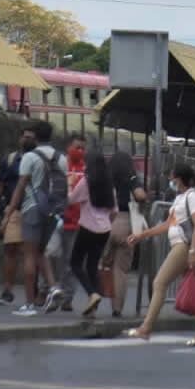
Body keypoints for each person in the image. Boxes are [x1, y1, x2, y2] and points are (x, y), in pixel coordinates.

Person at [124, 164, 195, 345]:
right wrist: (142, 235)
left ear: (179, 178)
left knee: (159, 283)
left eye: (173, 177)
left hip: (183, 246)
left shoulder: (192, 196)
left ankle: (146, 328)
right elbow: (168, 224)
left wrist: (193, 250)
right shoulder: (180, 198)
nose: (171, 180)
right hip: (182, 246)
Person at [2, 121, 64, 318]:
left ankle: (29, 304)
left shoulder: (29, 157)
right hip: (53, 212)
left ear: (35, 136)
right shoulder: (62, 158)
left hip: (31, 209)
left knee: (29, 254)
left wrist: (8, 214)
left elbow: (20, 187)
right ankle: (53, 287)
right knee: (40, 252)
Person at [68, 150, 117, 317]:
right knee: (92, 266)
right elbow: (114, 211)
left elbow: (71, 199)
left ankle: (92, 294)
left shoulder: (86, 181)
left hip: (87, 227)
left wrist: (70, 184)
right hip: (104, 230)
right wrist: (106, 222)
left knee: (75, 263)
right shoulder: (109, 184)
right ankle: (93, 308)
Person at [102, 152, 147, 317]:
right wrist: (143, 203)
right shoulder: (131, 177)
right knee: (121, 270)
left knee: (102, 264)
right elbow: (140, 195)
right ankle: (117, 308)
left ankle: (93, 300)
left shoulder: (105, 178)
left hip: (105, 222)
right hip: (126, 221)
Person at [0, 127, 34, 306]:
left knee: (31, 253)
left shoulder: (38, 160)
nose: (28, 140)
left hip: (32, 210)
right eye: (26, 137)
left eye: (31, 138)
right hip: (13, 210)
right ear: (20, 138)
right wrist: (0, 207)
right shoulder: (9, 160)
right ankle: (7, 290)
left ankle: (33, 293)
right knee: (11, 250)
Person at [46, 134, 86, 312]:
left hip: (76, 222)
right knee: (49, 255)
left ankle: (67, 297)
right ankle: (47, 289)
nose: (80, 151)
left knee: (71, 262)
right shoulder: (59, 166)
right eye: (77, 147)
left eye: (83, 148)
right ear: (68, 147)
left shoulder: (85, 169)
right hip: (56, 218)